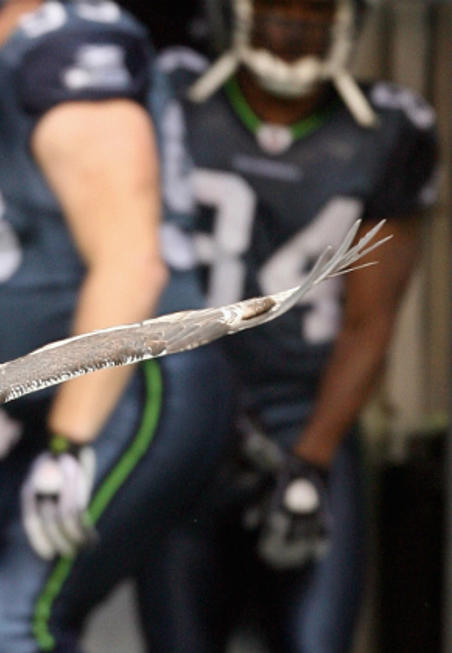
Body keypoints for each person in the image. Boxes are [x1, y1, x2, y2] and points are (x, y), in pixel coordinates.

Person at [0, 0, 237, 650]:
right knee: (1, 602)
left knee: (19, 611)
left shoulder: (65, 52)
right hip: (57, 397)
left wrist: (69, 444)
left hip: (138, 382)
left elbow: (131, 263)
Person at [136, 1, 438, 651]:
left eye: (315, 11)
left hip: (305, 410)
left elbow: (370, 320)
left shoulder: (392, 128)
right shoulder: (175, 92)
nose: (295, 28)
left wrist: (312, 458)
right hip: (186, 408)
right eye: (276, 8)